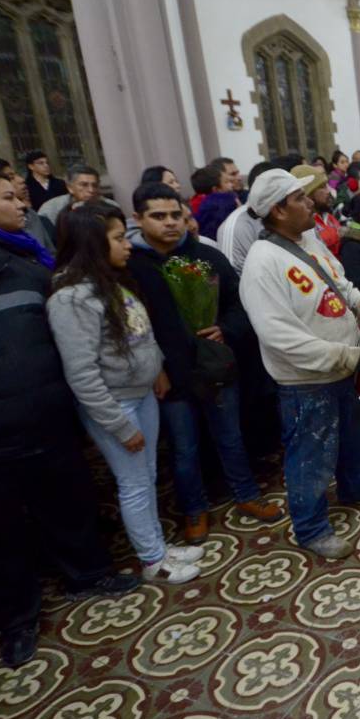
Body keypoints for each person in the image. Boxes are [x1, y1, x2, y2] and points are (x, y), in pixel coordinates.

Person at [0, 188, 139, 667]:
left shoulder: (22, 273)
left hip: (50, 428)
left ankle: (89, 575)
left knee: (70, 507)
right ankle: (16, 622)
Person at [238, 170, 360, 559]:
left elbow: (338, 282)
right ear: (277, 210)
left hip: (345, 365)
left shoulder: (308, 240)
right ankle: (311, 528)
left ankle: (355, 485)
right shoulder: (262, 265)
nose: (311, 201)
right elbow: (280, 337)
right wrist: (345, 355)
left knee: (353, 435)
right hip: (307, 380)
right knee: (310, 455)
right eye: (299, 198)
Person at [47, 204, 202, 584]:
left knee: (145, 476)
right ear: (92, 243)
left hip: (142, 393)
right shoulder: (71, 300)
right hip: (116, 404)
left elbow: (139, 335)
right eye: (118, 238)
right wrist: (118, 425)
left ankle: (159, 546)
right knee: (133, 483)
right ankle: (153, 559)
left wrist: (158, 368)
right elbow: (81, 374)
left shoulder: (111, 281)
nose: (128, 245)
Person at [127, 182, 281, 544]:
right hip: (170, 374)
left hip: (215, 368)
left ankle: (246, 495)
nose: (170, 224)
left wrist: (224, 329)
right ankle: (194, 509)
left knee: (231, 436)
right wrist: (153, 369)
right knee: (184, 447)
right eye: (158, 216)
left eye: (176, 215)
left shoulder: (207, 257)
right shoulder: (132, 267)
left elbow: (239, 303)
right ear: (138, 219)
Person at [0, 158, 55, 254]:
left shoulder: (29, 214)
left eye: (16, 175)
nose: (21, 180)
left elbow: (50, 252)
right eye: (10, 177)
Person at [217, 161, 279, 273]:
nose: (239, 178)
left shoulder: (281, 215)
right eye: (232, 174)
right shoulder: (236, 226)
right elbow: (234, 277)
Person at [38, 164, 119, 228]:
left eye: (95, 185)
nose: (91, 190)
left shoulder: (111, 207)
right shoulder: (51, 210)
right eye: (84, 185)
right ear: (70, 187)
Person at [192, 164, 239, 239]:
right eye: (226, 182)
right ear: (216, 189)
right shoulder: (227, 202)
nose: (231, 185)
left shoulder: (193, 205)